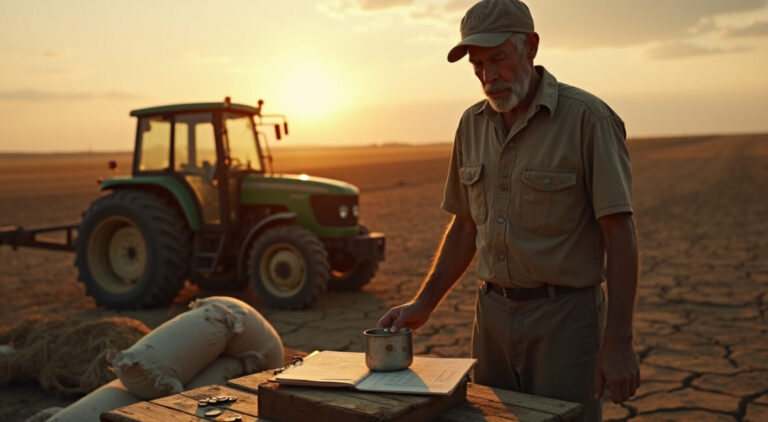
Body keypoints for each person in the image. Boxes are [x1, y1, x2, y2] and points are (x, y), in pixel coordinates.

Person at [376, 0, 640, 420]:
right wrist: (424, 303)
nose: (488, 76)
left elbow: (619, 233)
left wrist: (619, 341)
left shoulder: (587, 119)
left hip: (565, 322)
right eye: (477, 65)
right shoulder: (471, 125)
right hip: (492, 319)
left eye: (497, 59)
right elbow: (465, 228)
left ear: (531, 47)